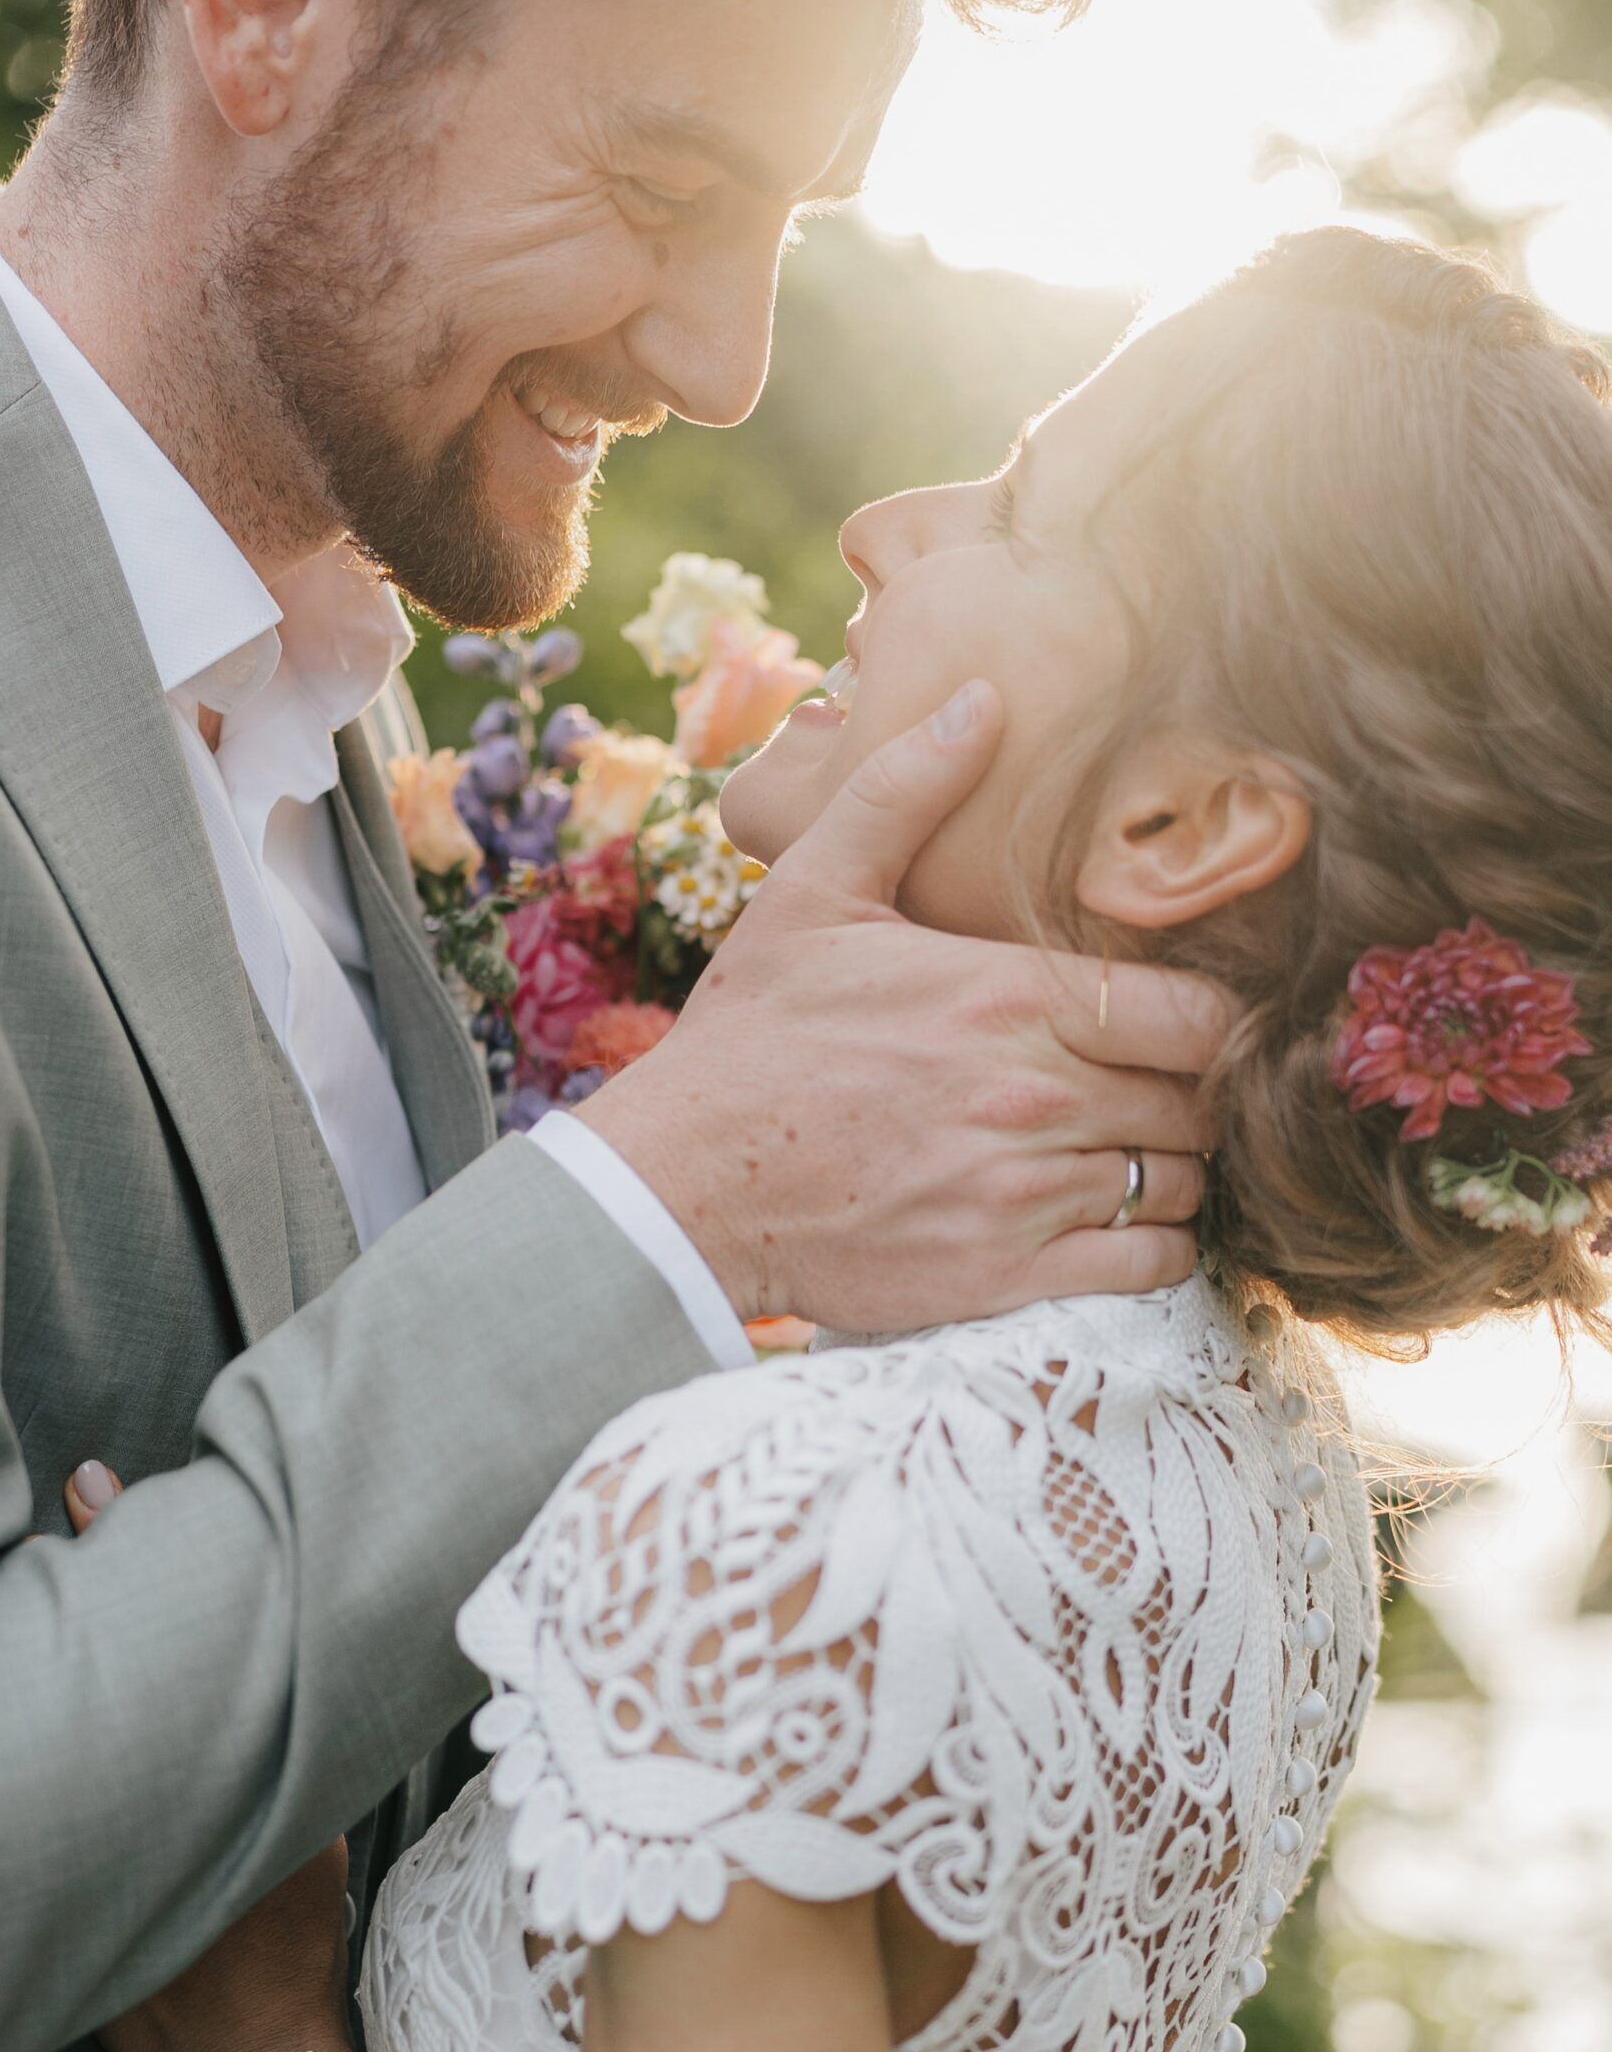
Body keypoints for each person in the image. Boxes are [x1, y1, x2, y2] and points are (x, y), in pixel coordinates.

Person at [0, 0, 1221, 2047]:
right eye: (660, 184)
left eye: (788, 225)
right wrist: (672, 1182)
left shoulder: (346, 676)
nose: (728, 359)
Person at [353, 230, 1612, 2051]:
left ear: (1177, 825)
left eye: (1019, 511)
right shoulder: (1266, 1487)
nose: (881, 530)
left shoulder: (770, 1530)